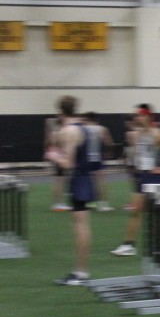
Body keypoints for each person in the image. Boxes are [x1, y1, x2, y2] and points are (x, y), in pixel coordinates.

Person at [111, 104, 160, 256]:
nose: (137, 118)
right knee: (136, 211)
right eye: (136, 115)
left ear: (148, 117)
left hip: (154, 177)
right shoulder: (138, 134)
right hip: (142, 176)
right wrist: (136, 166)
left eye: (140, 115)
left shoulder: (158, 133)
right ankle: (129, 245)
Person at [47, 96, 95, 286]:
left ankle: (80, 273)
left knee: (80, 227)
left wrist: (53, 156)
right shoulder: (84, 127)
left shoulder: (69, 131)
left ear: (60, 112)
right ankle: (80, 272)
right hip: (84, 177)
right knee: (81, 225)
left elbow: (68, 163)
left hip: (78, 179)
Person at [83, 111, 115, 211]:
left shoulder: (82, 129)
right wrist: (108, 153)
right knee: (100, 181)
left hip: (85, 158)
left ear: (87, 119)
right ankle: (103, 205)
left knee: (86, 181)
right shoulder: (102, 129)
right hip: (97, 157)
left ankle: (89, 203)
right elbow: (109, 143)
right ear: (97, 119)